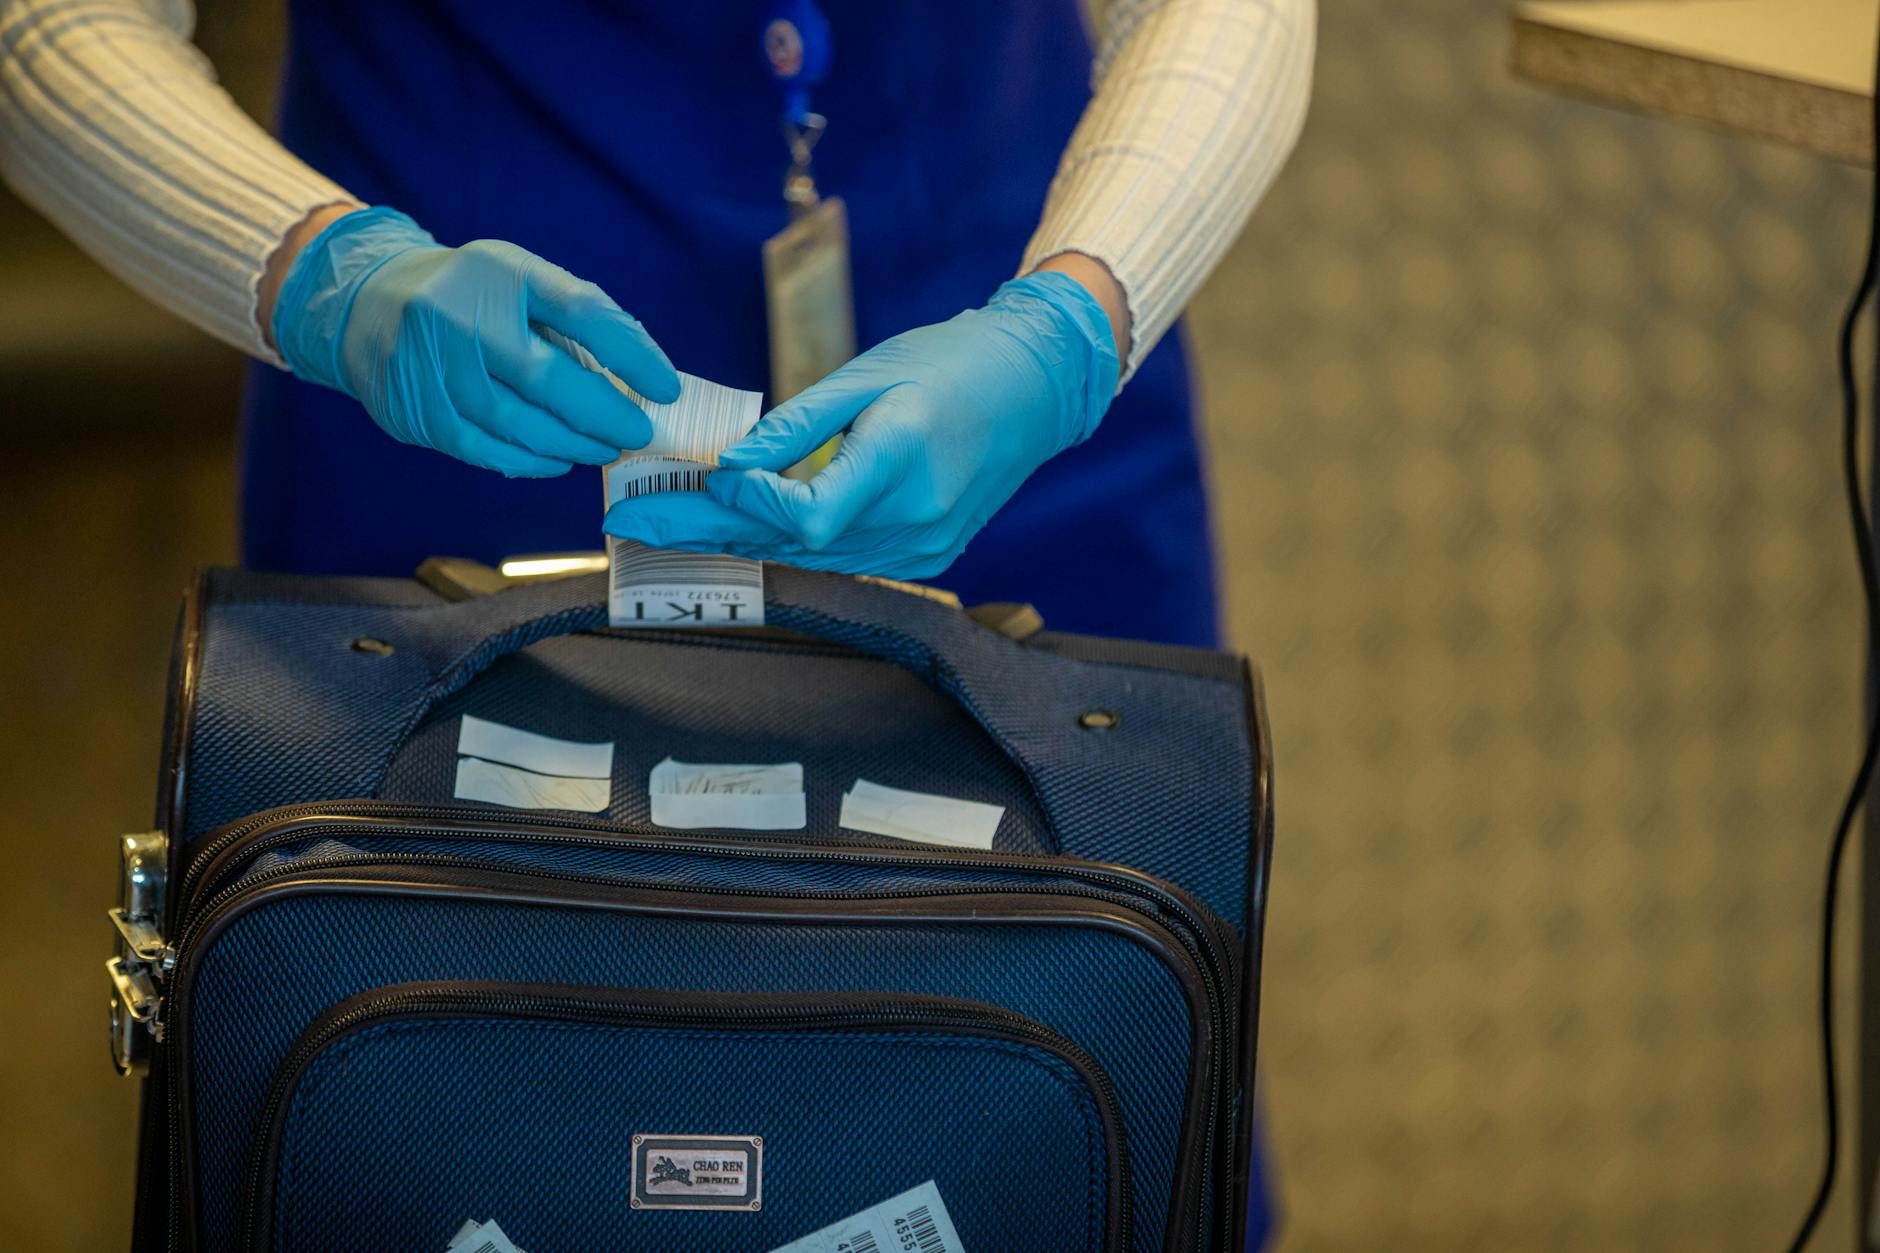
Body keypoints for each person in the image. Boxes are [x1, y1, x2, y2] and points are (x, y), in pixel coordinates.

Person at [1, 0, 1311, 1242]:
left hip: (1008, 376)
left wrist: (1073, 323)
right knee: (431, 1139)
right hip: (461, 403)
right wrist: (318, 276)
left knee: (1084, 1118)